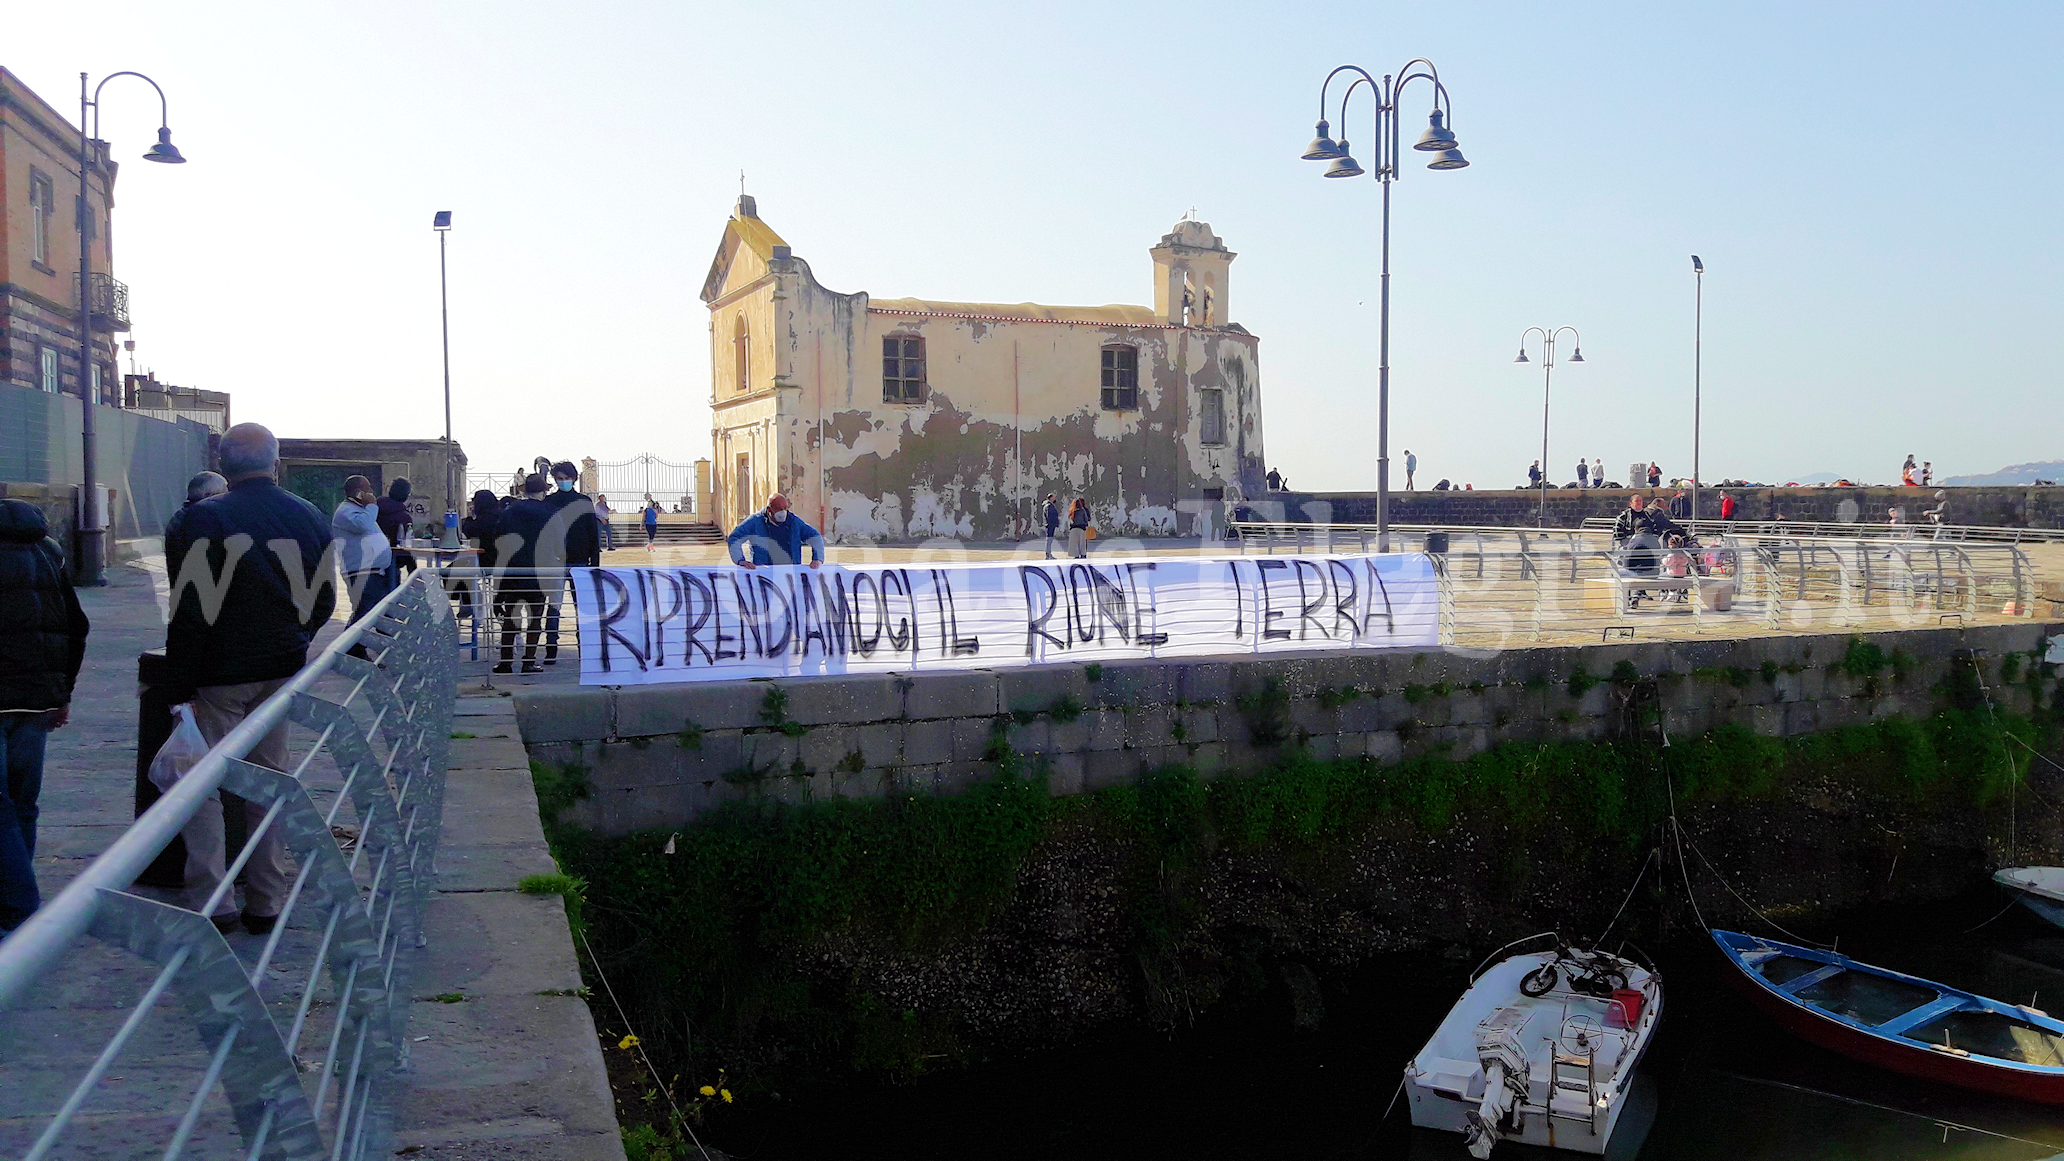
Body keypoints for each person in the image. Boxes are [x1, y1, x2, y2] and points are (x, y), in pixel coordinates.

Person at [164, 423, 335, 935]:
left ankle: (214, 901)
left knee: (201, 783)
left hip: (219, 673)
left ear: (223, 463)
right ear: (276, 463)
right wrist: (294, 638)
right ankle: (266, 899)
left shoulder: (201, 520)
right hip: (279, 669)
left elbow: (191, 609)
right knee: (268, 781)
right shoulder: (309, 516)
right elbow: (324, 599)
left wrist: (178, 684)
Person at [0, 499, 89, 934]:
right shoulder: (48, 551)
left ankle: (19, 907)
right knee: (21, 804)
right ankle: (15, 895)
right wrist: (62, 693)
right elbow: (77, 626)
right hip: (35, 701)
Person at [490, 474, 554, 674]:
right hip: (539, 572)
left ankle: (506, 662)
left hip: (514, 571)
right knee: (535, 618)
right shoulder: (549, 512)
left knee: (511, 618)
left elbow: (498, 538)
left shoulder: (511, 510)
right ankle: (529, 661)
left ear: (524, 490)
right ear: (544, 491)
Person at [540, 461, 601, 665]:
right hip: (555, 561)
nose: (563, 481)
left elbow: (593, 534)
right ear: (555, 479)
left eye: (566, 478)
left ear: (573, 478)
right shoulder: (548, 502)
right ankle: (551, 649)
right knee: (554, 607)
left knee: (581, 608)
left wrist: (595, 562)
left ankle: (583, 648)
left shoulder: (584, 502)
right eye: (560, 478)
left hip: (581, 561)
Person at [330, 475, 393, 657]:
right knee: (364, 613)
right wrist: (372, 505)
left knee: (377, 613)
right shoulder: (346, 511)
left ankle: (361, 650)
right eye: (367, 489)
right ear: (358, 492)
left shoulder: (361, 510)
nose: (371, 492)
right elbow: (363, 525)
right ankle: (348, 648)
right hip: (361, 571)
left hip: (374, 570)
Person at [727, 493, 826, 569]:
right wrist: (740, 561)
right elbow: (735, 538)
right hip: (764, 575)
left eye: (785, 508)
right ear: (769, 510)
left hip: (790, 574)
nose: (783, 513)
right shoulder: (755, 522)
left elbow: (815, 537)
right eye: (779, 509)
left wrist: (817, 559)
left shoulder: (794, 522)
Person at [377, 478, 416, 581]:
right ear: (406, 496)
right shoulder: (404, 518)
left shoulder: (374, 509)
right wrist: (413, 569)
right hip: (393, 562)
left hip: (370, 561)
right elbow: (407, 545)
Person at [1042, 493, 1061, 559]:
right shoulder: (1049, 506)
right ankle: (1048, 554)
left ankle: (1048, 554)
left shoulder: (1049, 505)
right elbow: (1050, 516)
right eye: (1054, 497)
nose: (1055, 498)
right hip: (1050, 525)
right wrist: (1053, 523)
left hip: (1050, 525)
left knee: (1049, 539)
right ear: (1051, 498)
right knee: (1049, 540)